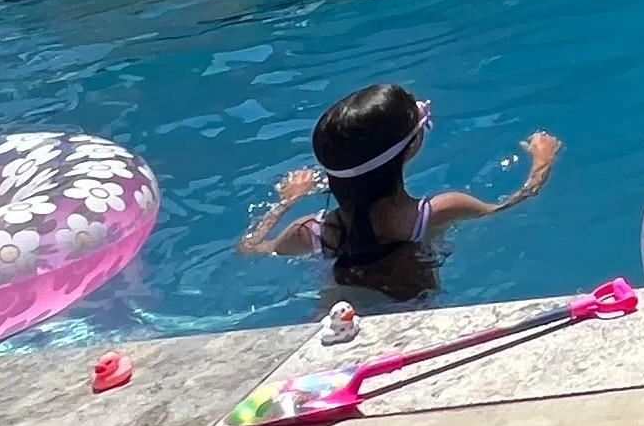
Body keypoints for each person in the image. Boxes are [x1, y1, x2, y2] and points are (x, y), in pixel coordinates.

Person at [238, 81, 559, 300]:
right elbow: (512, 204)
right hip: (414, 316)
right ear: (412, 147)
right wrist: (542, 161)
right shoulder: (440, 210)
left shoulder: (310, 231)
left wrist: (286, 201)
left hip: (336, 319)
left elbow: (250, 249)